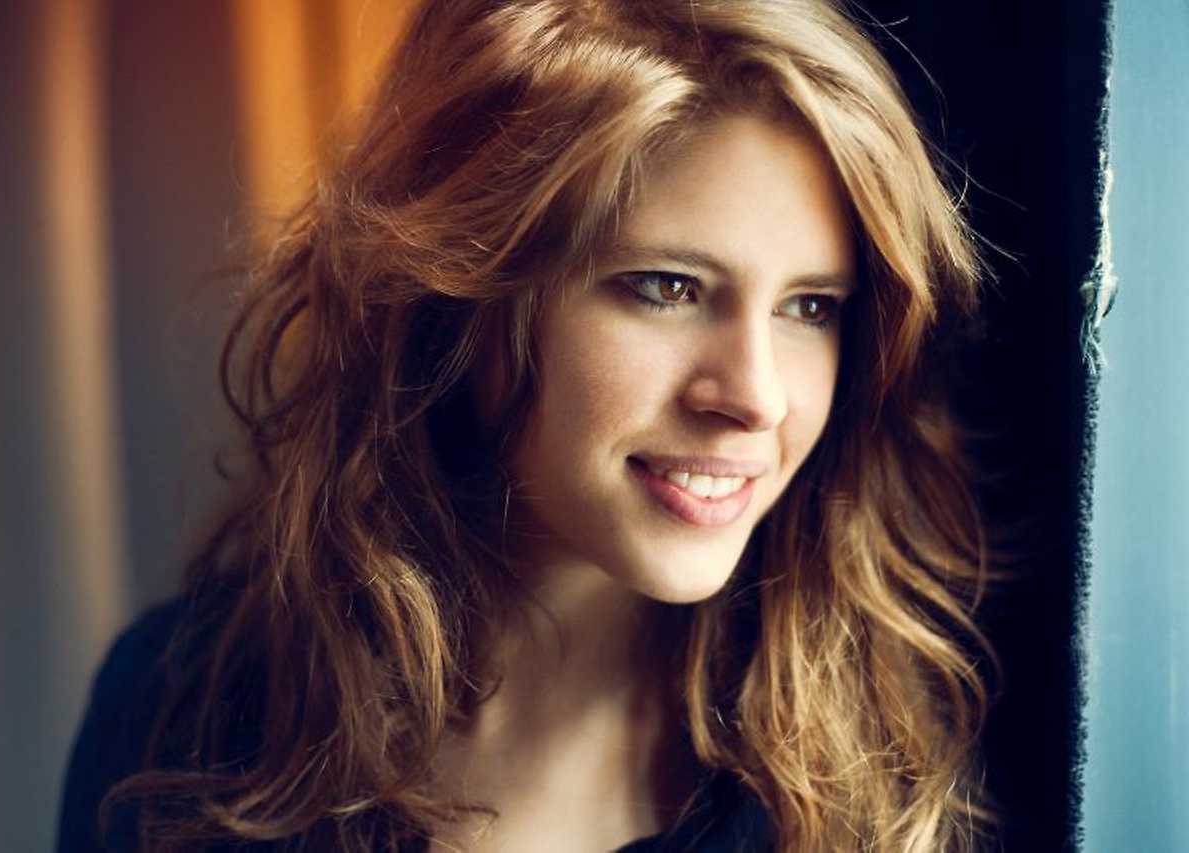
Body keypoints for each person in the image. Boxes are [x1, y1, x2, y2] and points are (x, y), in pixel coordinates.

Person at [58, 0, 1001, 850]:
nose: (757, 397)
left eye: (810, 307)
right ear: (466, 297)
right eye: (666, 287)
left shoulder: (894, 776)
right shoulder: (180, 719)